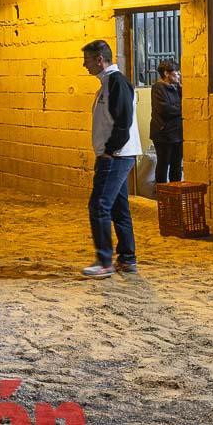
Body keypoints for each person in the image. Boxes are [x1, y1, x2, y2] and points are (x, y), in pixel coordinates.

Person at [80, 40, 142, 278]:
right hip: (116, 154)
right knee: (118, 207)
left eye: (87, 60)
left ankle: (104, 261)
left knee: (99, 205)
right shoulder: (108, 83)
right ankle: (127, 258)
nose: (84, 65)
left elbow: (123, 120)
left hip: (116, 155)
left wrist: (110, 149)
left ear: (99, 59)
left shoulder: (117, 82)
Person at [150, 58, 183, 184]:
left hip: (177, 133)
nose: (179, 75)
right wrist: (181, 108)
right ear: (166, 73)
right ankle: (162, 195)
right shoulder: (158, 88)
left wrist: (180, 88)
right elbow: (165, 109)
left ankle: (176, 193)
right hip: (163, 134)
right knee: (163, 165)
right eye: (176, 72)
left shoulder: (176, 88)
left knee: (176, 166)